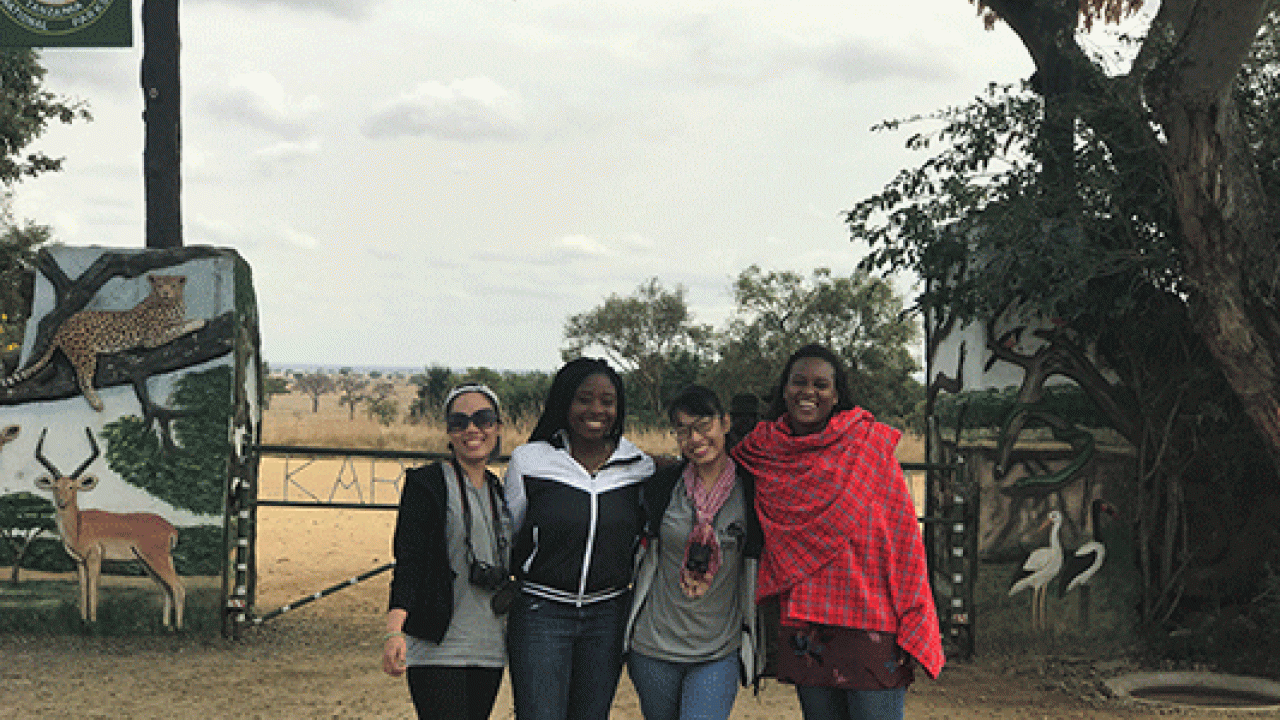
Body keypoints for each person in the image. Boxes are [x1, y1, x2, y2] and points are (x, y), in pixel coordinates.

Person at [730, 344, 944, 720]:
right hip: (807, 624)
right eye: (798, 382)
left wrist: (913, 614)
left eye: (820, 385)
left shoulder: (868, 447)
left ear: (836, 395)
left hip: (873, 624)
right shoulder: (765, 453)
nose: (808, 392)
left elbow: (905, 540)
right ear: (784, 390)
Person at [504, 357, 655, 720]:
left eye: (607, 401)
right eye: (584, 399)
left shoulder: (638, 466)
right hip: (541, 613)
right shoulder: (530, 461)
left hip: (608, 615)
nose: (596, 410)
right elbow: (510, 533)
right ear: (564, 402)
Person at [624, 384, 764, 720]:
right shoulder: (662, 486)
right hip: (653, 647)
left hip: (717, 650)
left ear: (725, 423)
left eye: (704, 426)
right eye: (683, 430)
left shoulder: (751, 490)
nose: (695, 439)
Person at [382, 384, 513, 720]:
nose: (472, 429)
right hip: (438, 647)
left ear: (498, 427)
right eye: (459, 422)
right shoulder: (427, 484)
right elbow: (409, 560)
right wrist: (395, 630)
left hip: (488, 647)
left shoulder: (501, 492)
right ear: (448, 432)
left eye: (483, 419)